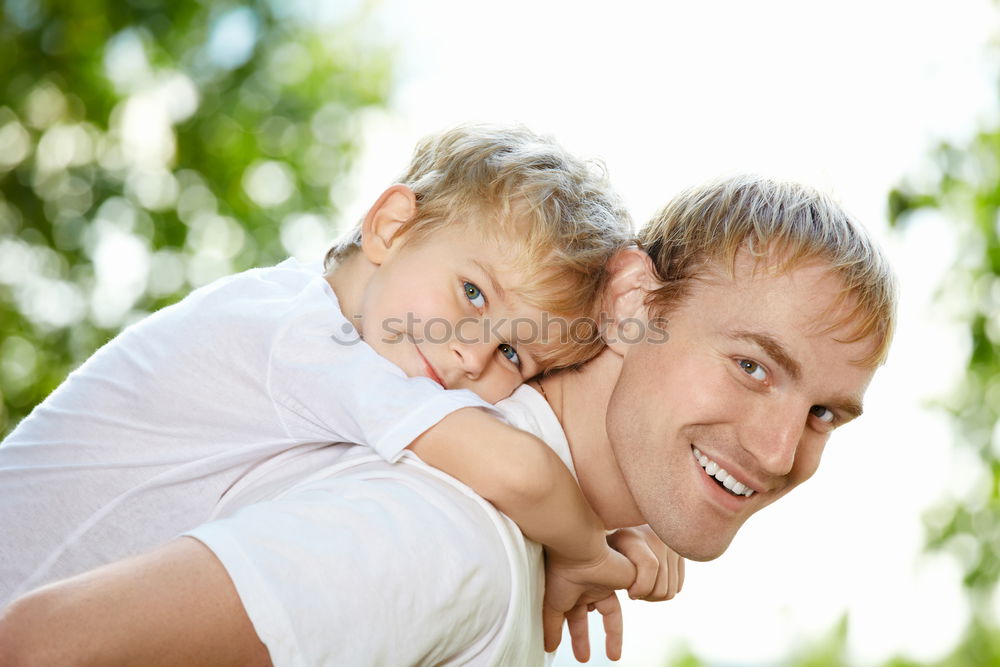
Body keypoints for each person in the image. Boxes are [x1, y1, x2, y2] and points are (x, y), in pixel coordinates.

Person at [0, 174, 896, 665]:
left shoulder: (480, 505)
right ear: (629, 300)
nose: (782, 449)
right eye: (750, 365)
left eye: (823, 412)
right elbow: (40, 647)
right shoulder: (450, 532)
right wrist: (587, 541)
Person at [0, 123, 655, 634]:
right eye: (474, 294)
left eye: (515, 354)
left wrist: (635, 516)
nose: (471, 356)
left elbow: (511, 439)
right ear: (391, 226)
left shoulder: (348, 337)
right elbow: (519, 471)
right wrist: (587, 547)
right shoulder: (309, 338)